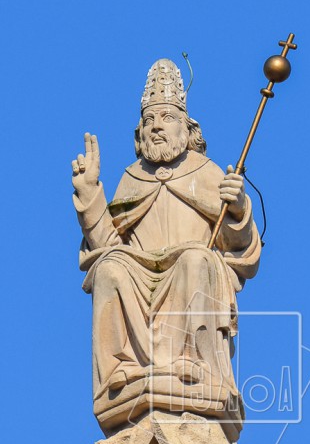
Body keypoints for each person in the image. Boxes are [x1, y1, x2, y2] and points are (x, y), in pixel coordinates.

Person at [72, 59, 261, 405]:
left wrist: (237, 209)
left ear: (187, 131)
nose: (157, 127)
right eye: (149, 120)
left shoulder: (206, 172)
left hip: (190, 273)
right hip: (140, 275)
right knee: (111, 268)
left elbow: (241, 250)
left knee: (194, 258)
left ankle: (191, 359)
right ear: (139, 133)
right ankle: (121, 365)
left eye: (167, 118)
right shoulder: (132, 178)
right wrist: (90, 195)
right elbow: (107, 245)